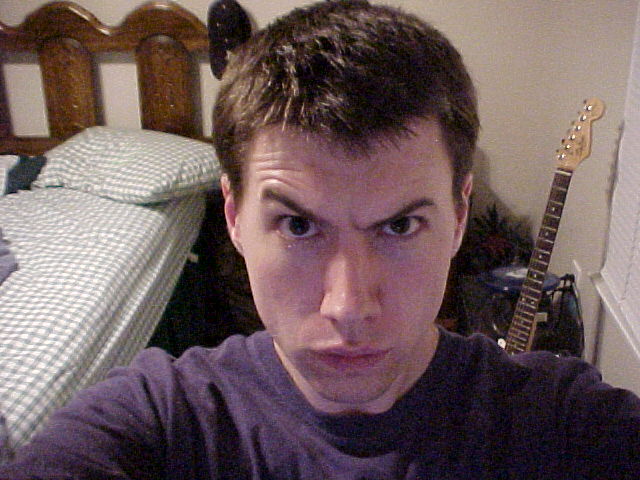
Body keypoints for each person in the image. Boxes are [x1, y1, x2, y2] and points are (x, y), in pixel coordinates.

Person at [1, 0, 639, 478]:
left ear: (460, 215)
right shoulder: (162, 421)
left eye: (399, 225)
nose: (348, 306)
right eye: (299, 225)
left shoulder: (562, 424)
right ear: (233, 216)